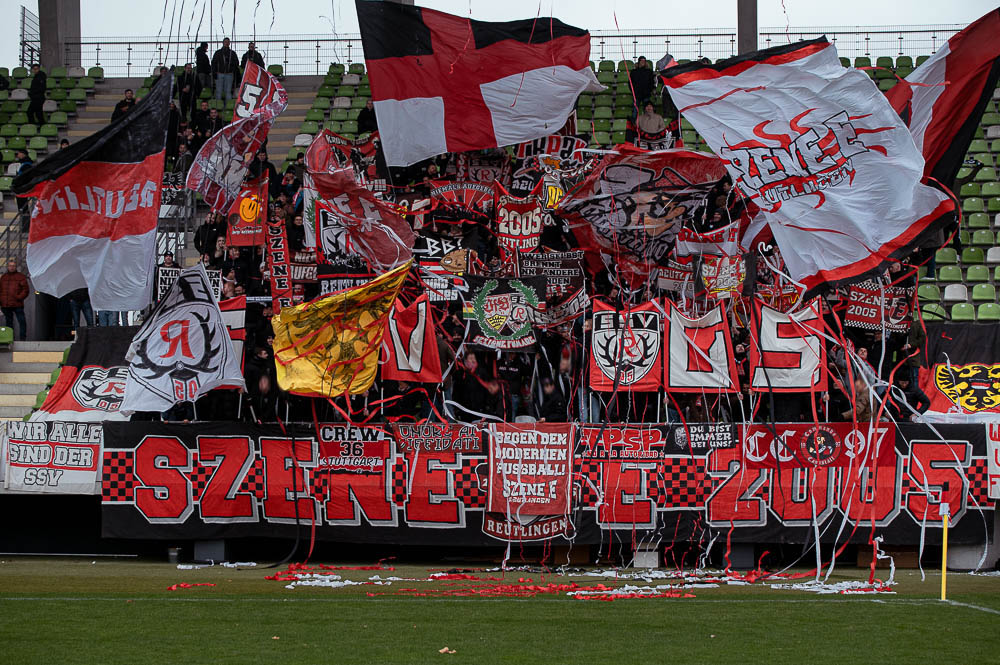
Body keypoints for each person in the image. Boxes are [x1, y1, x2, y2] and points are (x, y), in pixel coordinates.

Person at [0, 260, 29, 340]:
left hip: (17, 304)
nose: (11, 267)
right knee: (9, 323)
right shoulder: (3, 277)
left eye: (13, 266)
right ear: (7, 267)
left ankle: (23, 339)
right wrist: (1, 301)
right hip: (6, 304)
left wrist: (19, 297)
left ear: (16, 267)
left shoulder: (21, 277)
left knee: (22, 322)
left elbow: (26, 290)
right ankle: (10, 338)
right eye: (10, 266)